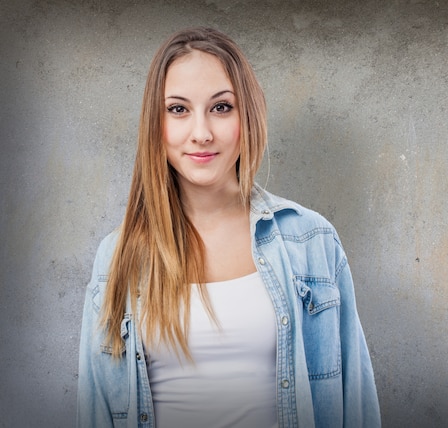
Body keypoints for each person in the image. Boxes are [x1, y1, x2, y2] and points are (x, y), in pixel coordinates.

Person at [77, 27, 380, 428]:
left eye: (221, 108)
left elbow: (356, 405)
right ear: (156, 123)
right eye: (178, 109)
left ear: (246, 115)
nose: (201, 133)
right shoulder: (117, 259)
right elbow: (95, 413)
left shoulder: (311, 240)